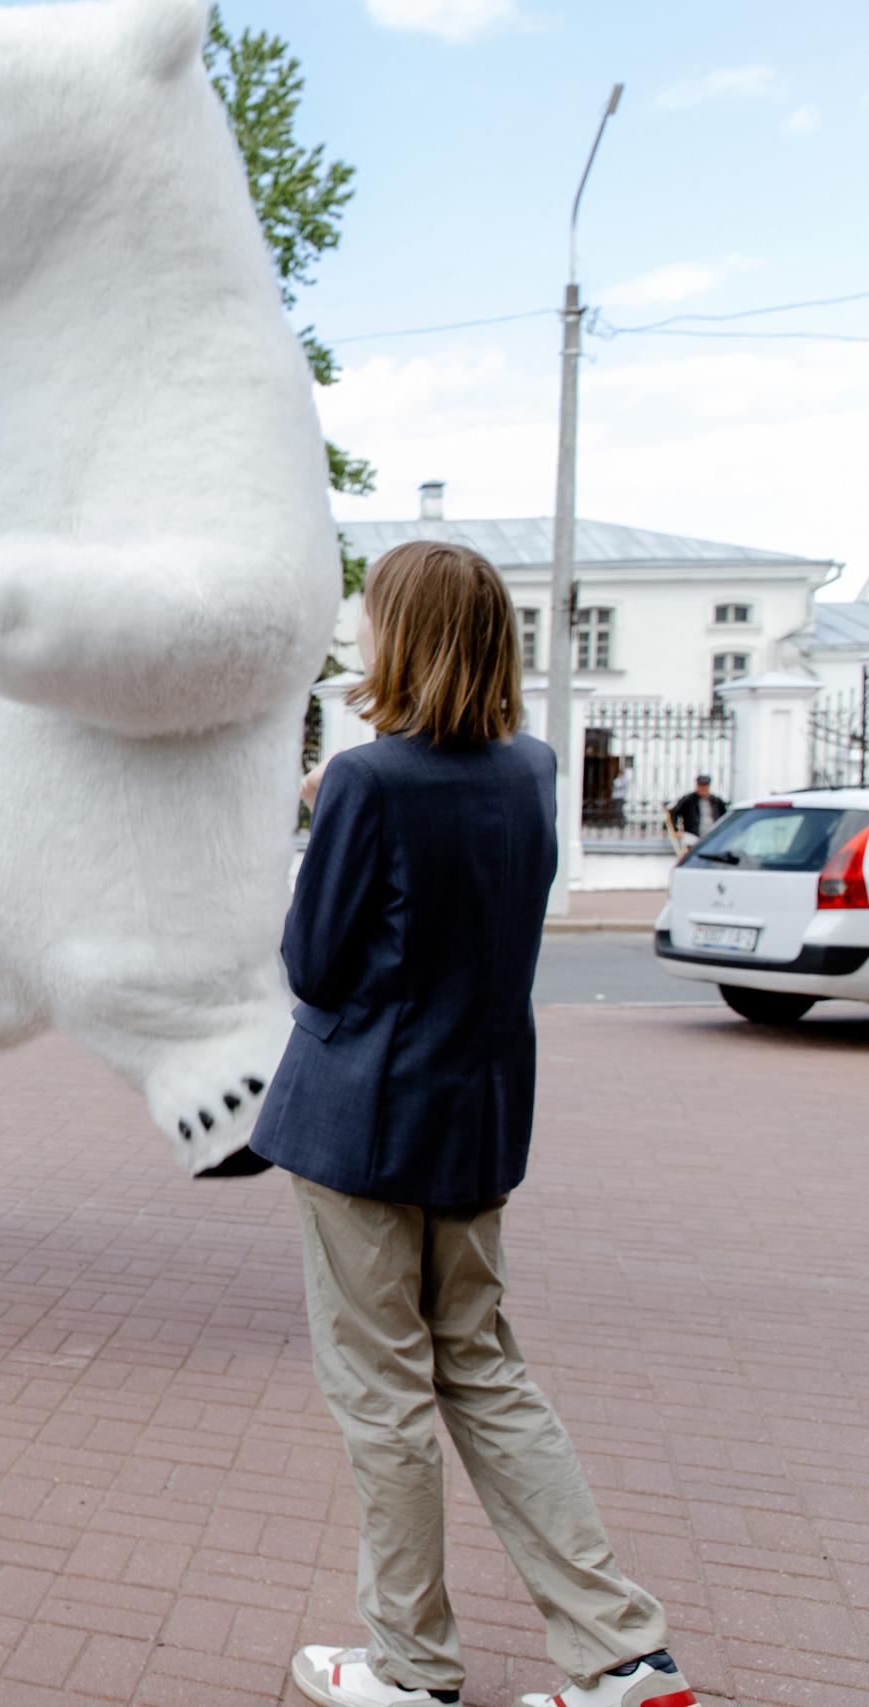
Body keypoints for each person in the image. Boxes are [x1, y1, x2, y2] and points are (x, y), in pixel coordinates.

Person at [260, 543, 698, 1707]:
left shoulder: (364, 780)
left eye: (367, 619)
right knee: (487, 1375)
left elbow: (311, 965)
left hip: (360, 1126)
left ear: (399, 636)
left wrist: (316, 823)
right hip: (477, 1118)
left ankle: (408, 1667)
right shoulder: (531, 769)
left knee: (383, 1395)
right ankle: (620, 1652)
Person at [666, 774, 726, 855]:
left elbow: (724, 817)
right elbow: (673, 813)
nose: (703, 788)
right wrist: (676, 831)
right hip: (693, 837)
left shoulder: (716, 802)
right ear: (697, 785)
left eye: (705, 786)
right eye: (701, 786)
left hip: (713, 837)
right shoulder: (688, 800)